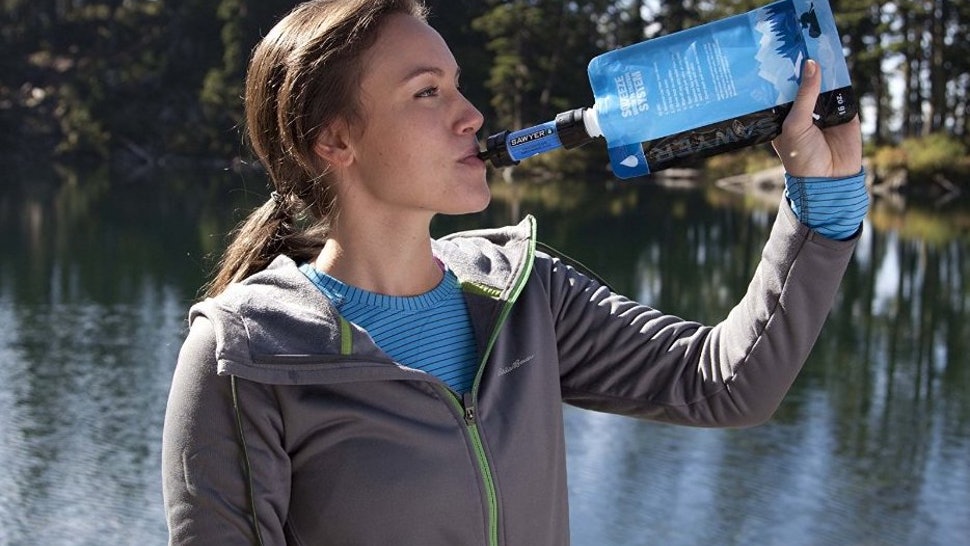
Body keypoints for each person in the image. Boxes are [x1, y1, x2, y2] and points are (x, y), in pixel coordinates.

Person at [161, 0, 869, 544]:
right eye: (428, 92)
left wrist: (824, 195)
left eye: (459, 87)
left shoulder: (526, 291)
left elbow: (723, 385)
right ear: (336, 140)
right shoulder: (246, 356)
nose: (472, 115)